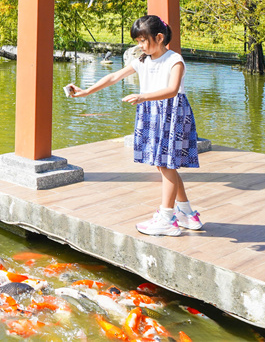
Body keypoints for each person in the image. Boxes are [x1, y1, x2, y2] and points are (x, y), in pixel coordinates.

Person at [65, 15, 202, 237]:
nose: (139, 45)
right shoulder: (143, 60)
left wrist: (143, 97)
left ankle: (167, 218)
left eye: (142, 40)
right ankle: (187, 213)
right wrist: (86, 91)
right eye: (137, 41)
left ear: (159, 37)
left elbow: (172, 90)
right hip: (153, 111)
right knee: (163, 165)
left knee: (166, 164)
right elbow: (114, 76)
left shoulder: (174, 60)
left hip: (171, 113)